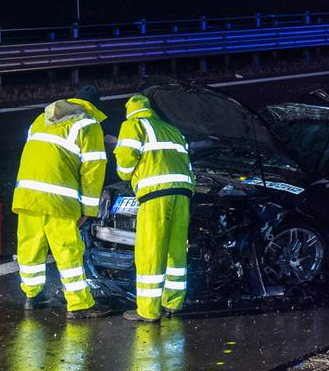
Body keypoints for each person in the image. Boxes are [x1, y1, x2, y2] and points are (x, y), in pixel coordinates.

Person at [13, 85, 111, 318]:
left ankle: (32, 295)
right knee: (68, 249)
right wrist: (87, 209)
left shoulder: (42, 118)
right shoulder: (88, 124)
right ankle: (79, 304)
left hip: (27, 193)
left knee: (30, 246)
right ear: (94, 106)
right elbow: (93, 170)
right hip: (58, 197)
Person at [113, 94, 194, 323]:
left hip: (155, 193)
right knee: (176, 249)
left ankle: (148, 311)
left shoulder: (133, 124)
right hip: (183, 192)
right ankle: (173, 302)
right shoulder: (171, 128)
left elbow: (126, 159)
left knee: (151, 250)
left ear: (130, 110)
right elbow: (187, 162)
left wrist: (125, 173)